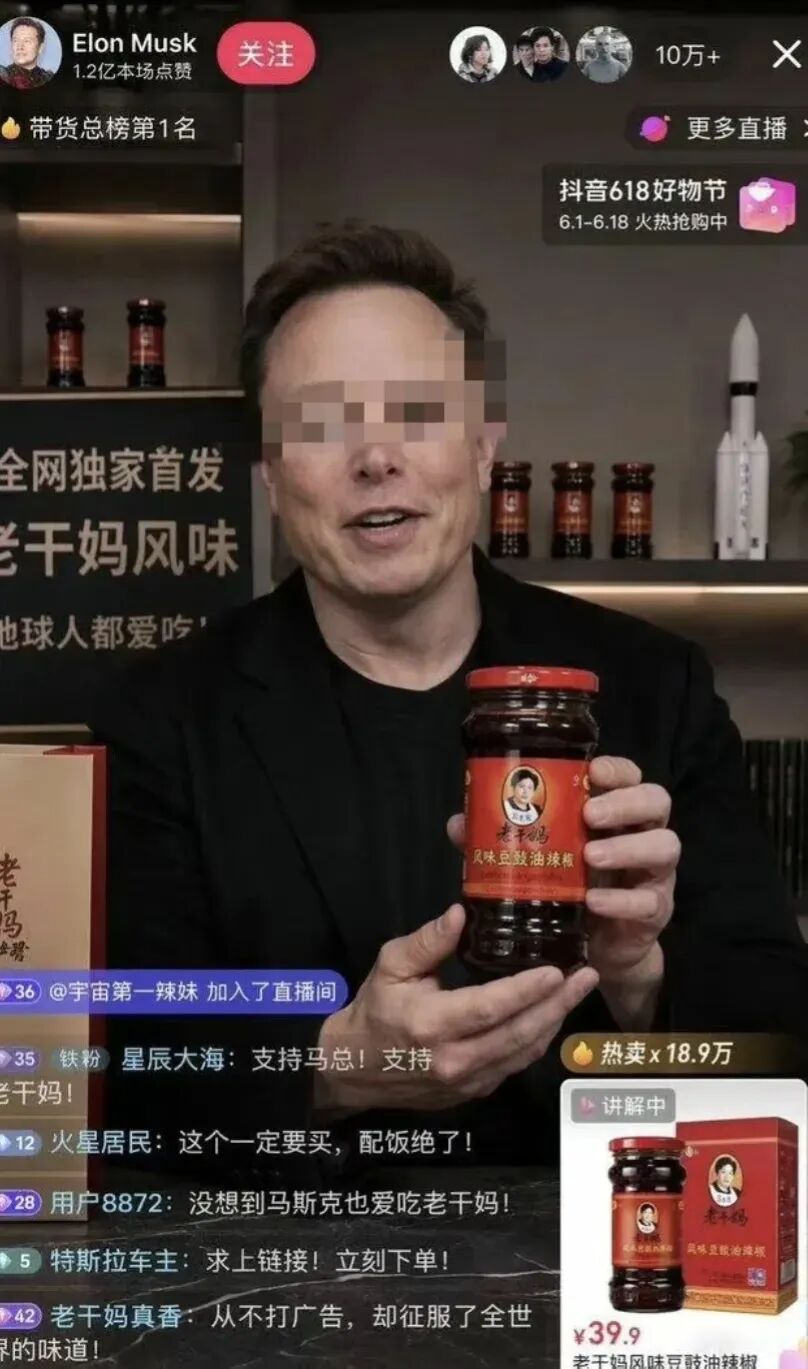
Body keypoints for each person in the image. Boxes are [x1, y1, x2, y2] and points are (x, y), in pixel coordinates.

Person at [91, 222, 808, 1184]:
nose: (375, 457)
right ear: (268, 473)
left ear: (483, 444)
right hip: (288, 1255)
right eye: (322, 421)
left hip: (600, 1236)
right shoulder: (159, 717)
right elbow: (114, 1058)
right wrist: (332, 1068)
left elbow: (779, 1043)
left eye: (416, 410)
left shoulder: (654, 685)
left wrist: (641, 978)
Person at [0, 17, 55, 89]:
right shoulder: (3, 75)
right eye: (15, 40)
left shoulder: (48, 78)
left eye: (27, 41)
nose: (20, 47)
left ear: (40, 48)